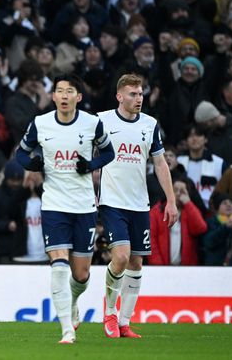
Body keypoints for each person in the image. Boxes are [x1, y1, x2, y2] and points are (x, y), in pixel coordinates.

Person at [16, 74, 115, 344]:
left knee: (81, 275)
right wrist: (32, 164)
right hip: (53, 205)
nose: (63, 95)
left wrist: (91, 165)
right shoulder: (41, 123)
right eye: (59, 91)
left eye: (69, 91)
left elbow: (109, 153)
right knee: (59, 266)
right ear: (54, 96)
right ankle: (66, 330)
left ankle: (72, 303)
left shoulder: (92, 123)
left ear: (78, 97)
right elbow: (21, 153)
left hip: (83, 207)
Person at [97, 74, 178, 339]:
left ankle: (124, 322)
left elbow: (159, 163)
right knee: (120, 257)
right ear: (119, 96)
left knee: (136, 262)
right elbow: (86, 156)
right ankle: (109, 312)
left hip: (139, 204)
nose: (138, 99)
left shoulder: (150, 124)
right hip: (112, 203)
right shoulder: (102, 120)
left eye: (141, 94)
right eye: (132, 94)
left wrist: (171, 201)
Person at [148, 177, 207, 266]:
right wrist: (158, 267)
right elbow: (151, 242)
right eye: (175, 190)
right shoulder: (156, 212)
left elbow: (201, 228)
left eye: (183, 191)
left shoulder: (190, 209)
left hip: (186, 269)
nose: (179, 194)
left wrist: (188, 203)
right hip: (161, 268)